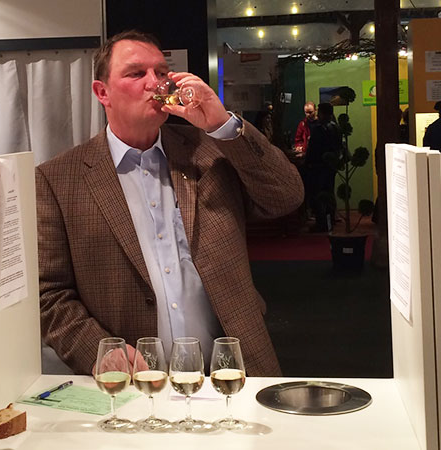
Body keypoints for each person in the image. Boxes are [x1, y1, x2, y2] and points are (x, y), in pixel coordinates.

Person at [36, 30, 304, 377]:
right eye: (137, 73)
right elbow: (50, 294)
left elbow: (286, 196)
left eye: (162, 72)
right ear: (103, 92)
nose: (155, 83)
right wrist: (99, 351)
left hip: (230, 371)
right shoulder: (59, 179)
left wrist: (222, 124)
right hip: (136, 382)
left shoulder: (211, 149)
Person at [304, 102, 342, 232]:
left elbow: (313, 149)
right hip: (331, 166)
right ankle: (330, 221)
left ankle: (322, 224)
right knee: (329, 192)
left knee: (319, 195)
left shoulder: (319, 129)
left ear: (322, 113)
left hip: (318, 167)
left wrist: (308, 163)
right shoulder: (336, 128)